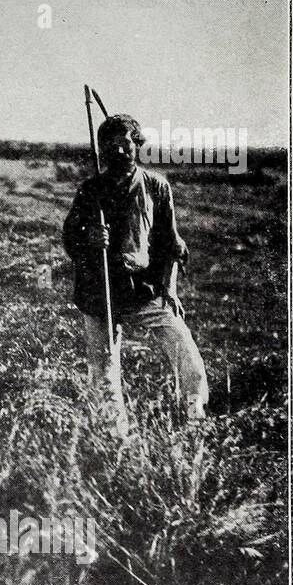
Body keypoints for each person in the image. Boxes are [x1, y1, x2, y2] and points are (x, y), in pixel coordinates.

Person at [62, 113, 209, 431]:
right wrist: (89, 238)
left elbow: (169, 244)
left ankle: (195, 417)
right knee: (103, 368)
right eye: (109, 146)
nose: (117, 152)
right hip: (99, 288)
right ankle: (113, 435)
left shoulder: (157, 186)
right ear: (101, 150)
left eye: (125, 144)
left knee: (184, 350)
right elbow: (69, 237)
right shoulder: (91, 190)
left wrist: (170, 289)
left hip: (142, 287)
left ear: (137, 144)